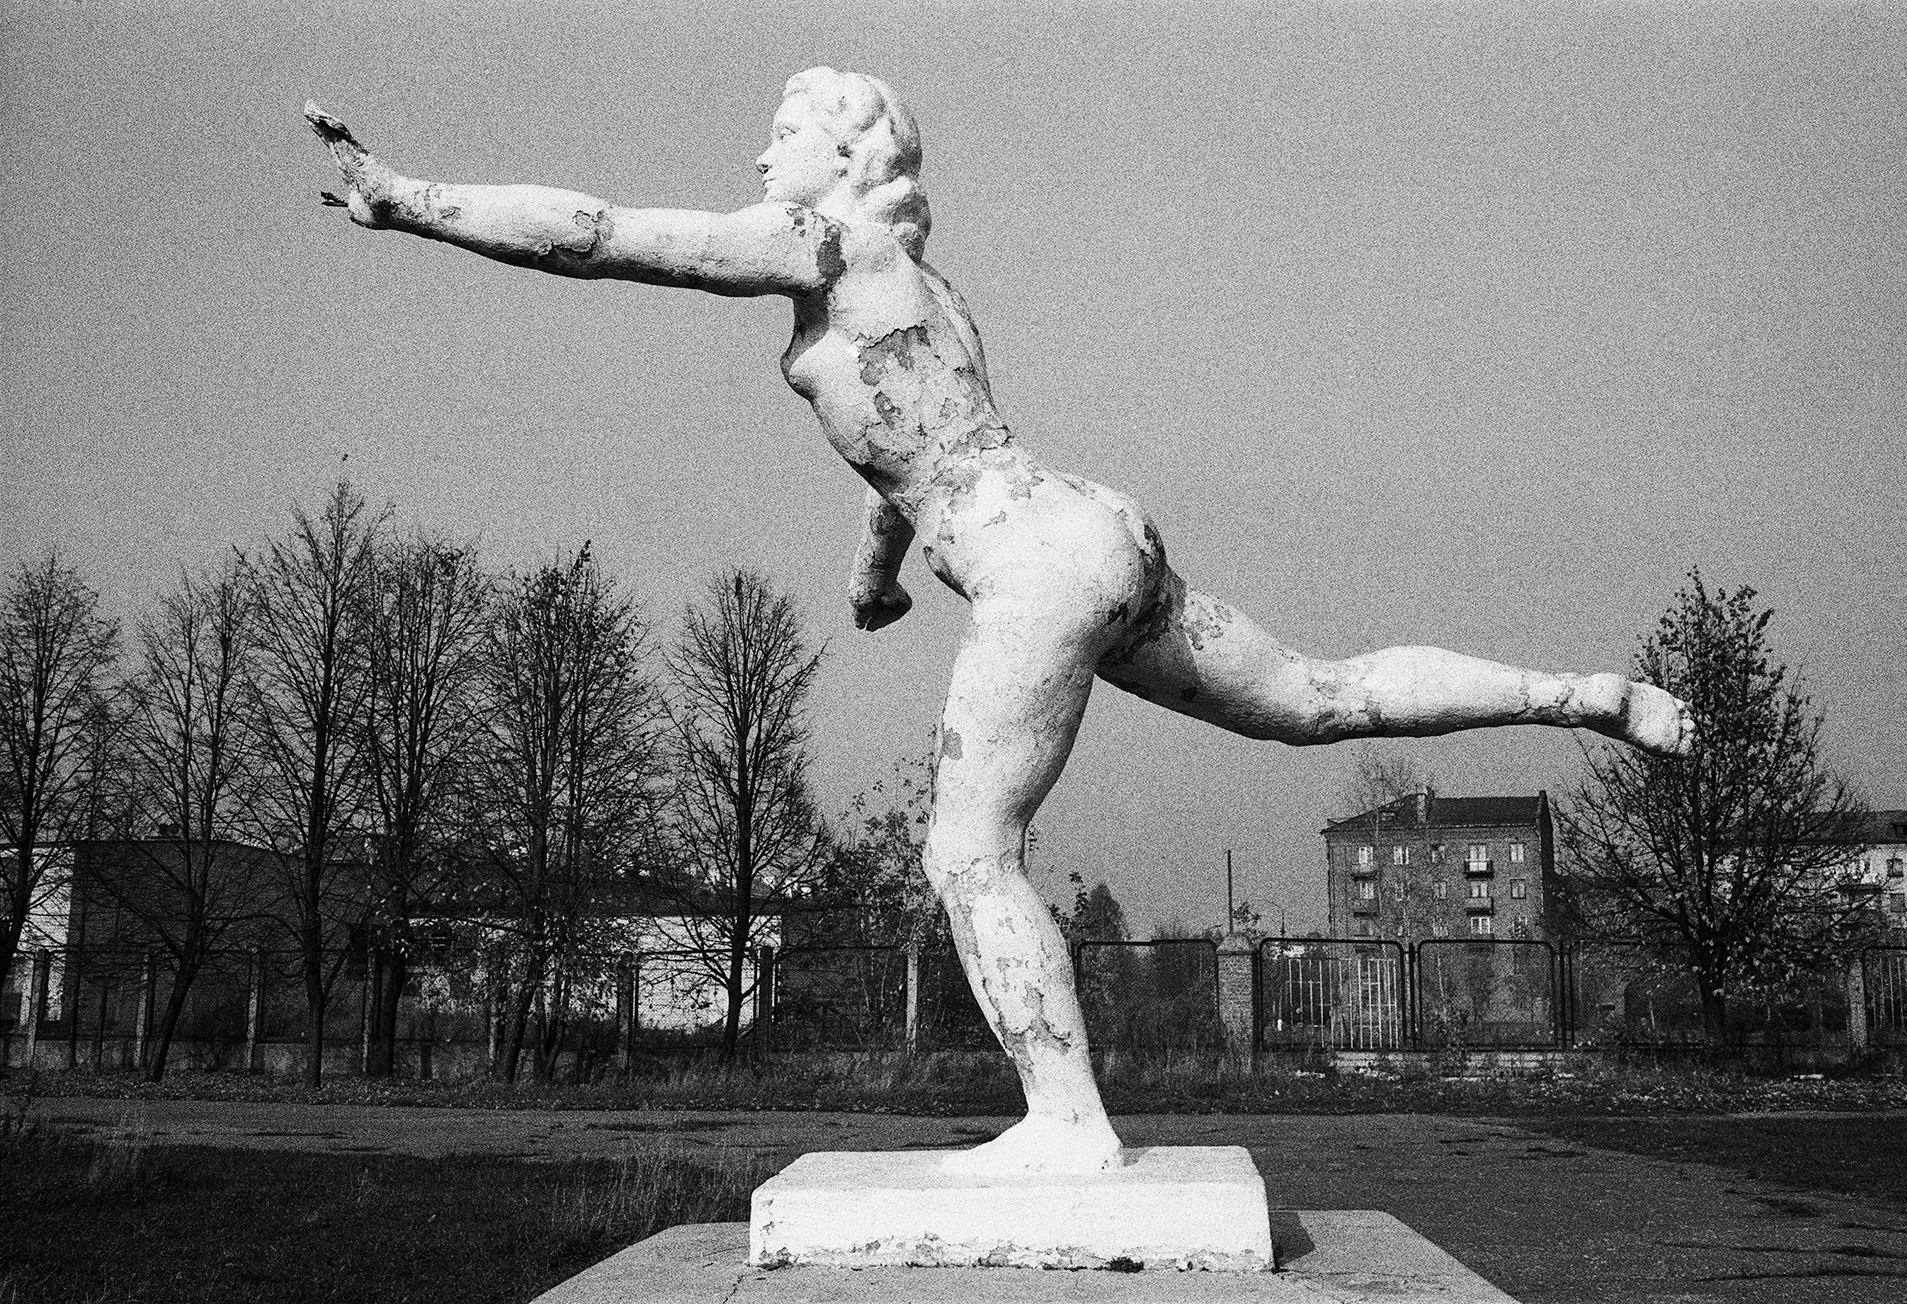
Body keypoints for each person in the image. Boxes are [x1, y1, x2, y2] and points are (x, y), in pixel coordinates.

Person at [308, 68, 1691, 1175]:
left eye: (779, 137)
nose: (757, 158)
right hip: (1087, 524)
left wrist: (409, 200)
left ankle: (1067, 1123)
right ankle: (1584, 696)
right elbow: (926, 457)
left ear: (843, 161)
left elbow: (602, 236)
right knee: (1320, 699)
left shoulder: (817, 245)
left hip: (1034, 565)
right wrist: (877, 576)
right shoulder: (929, 294)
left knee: (969, 851)